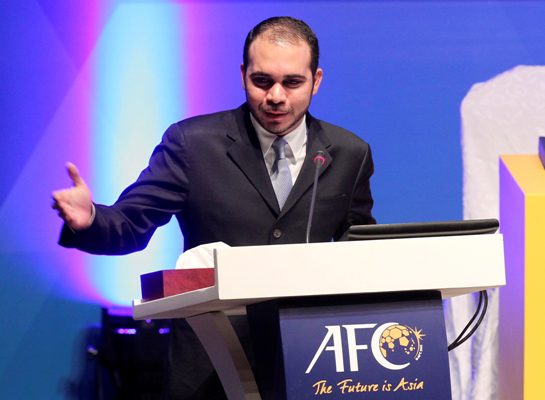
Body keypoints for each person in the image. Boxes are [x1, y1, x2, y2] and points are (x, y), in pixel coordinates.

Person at [53, 16, 375, 399]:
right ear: (243, 75)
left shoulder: (349, 153)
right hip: (210, 363)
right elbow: (131, 223)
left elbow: (360, 253)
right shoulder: (193, 144)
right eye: (262, 81)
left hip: (311, 359)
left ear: (316, 80)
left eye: (292, 82)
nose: (276, 96)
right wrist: (90, 219)